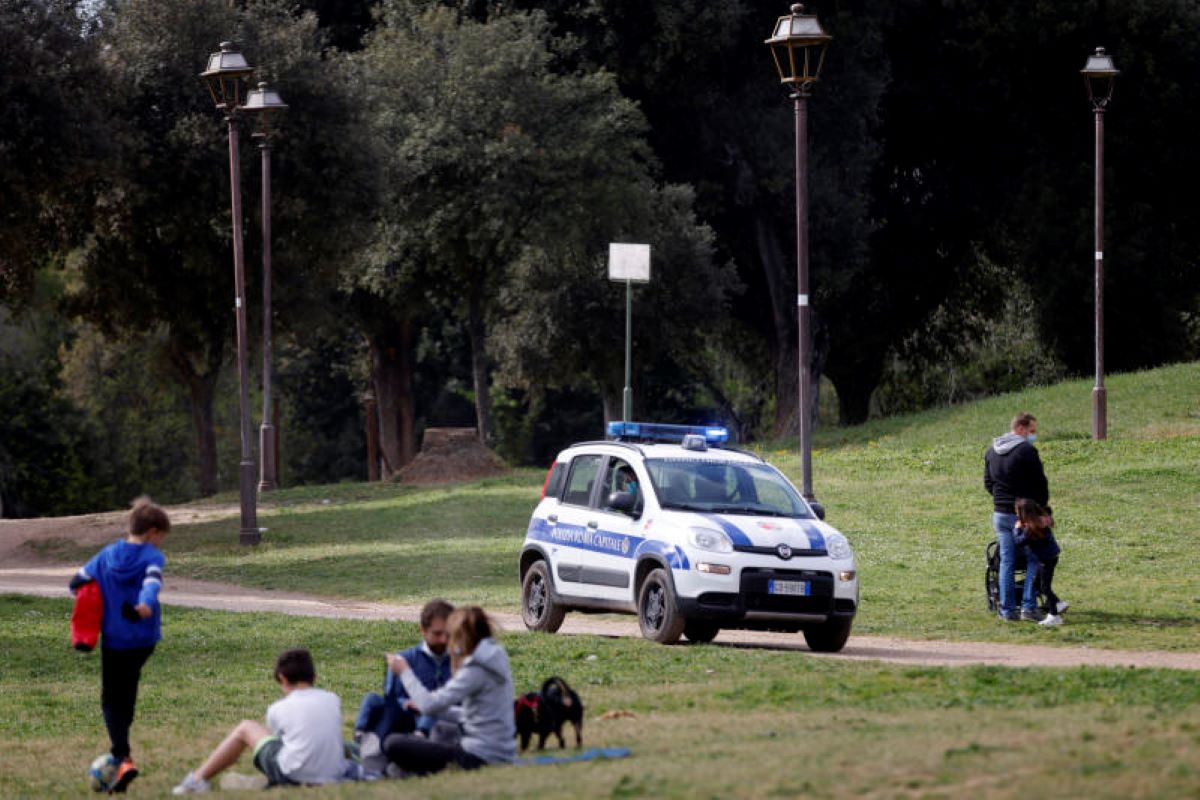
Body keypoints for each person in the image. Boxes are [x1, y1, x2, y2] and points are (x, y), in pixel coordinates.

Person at [69, 497, 171, 793]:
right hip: (144, 639)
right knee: (126, 690)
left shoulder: (105, 556)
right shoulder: (152, 556)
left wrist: (93, 598)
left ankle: (121, 756)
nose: (160, 543)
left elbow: (76, 582)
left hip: (115, 640)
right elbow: (152, 582)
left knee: (111, 700)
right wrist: (144, 605)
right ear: (152, 531)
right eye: (161, 536)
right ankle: (122, 756)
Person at [172, 648, 346, 794]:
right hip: (333, 775)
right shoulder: (333, 699)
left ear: (283, 679)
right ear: (314, 677)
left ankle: (196, 780)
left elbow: (278, 743)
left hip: (294, 776)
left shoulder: (278, 708)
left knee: (246, 728)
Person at [382, 606, 516, 776]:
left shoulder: (475, 670)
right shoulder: (494, 656)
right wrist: (440, 711)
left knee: (393, 743)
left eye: (450, 635)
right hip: (501, 753)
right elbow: (474, 715)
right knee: (438, 731)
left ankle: (405, 770)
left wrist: (404, 671)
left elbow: (429, 706)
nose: (446, 641)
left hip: (478, 756)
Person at [354, 600, 454, 751]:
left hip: (442, 718)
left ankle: (418, 737)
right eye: (437, 634)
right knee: (374, 700)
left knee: (432, 708)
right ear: (423, 630)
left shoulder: (460, 661)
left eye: (448, 634)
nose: (444, 640)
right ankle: (363, 738)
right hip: (406, 716)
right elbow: (393, 697)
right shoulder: (405, 659)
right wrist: (407, 703)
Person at [983, 412, 1049, 622]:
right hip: (1024, 515)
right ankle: (1029, 606)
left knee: (1007, 562)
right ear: (1020, 428)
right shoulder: (1026, 451)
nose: (1033, 436)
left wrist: (1001, 499)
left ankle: (1007, 610)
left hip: (1000, 513)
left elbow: (988, 483)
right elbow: (1040, 483)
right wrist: (1040, 508)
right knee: (1035, 558)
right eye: (1032, 431)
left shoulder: (991, 451)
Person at [1014, 498, 1068, 626]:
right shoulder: (1040, 520)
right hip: (1049, 556)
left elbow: (1019, 542)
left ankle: (1054, 615)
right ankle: (1058, 603)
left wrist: (1017, 529)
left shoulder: (1031, 528)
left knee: (1044, 587)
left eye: (1017, 511)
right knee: (1037, 584)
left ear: (1023, 513)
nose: (1016, 514)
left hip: (1046, 560)